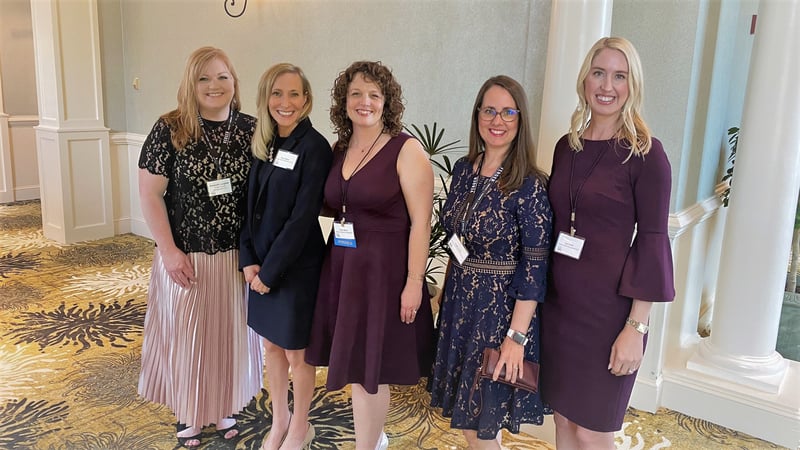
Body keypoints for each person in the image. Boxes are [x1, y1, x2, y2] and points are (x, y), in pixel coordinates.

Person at [541, 36, 675, 450]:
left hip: (609, 315)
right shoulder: (568, 147)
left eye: (619, 76)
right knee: (563, 420)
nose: (607, 85)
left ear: (632, 85)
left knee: (592, 430)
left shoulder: (647, 154)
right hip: (560, 308)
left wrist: (636, 326)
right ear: (585, 80)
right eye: (599, 73)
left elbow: (652, 242)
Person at [305, 61, 435, 450]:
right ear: (344, 101)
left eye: (374, 95)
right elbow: (324, 207)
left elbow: (421, 224)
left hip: (385, 276)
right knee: (358, 366)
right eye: (356, 94)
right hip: (344, 271)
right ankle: (374, 440)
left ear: (387, 102)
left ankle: (369, 445)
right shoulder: (339, 148)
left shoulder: (406, 149)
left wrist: (415, 283)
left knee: (369, 371)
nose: (365, 102)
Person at [137, 46, 263, 449]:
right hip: (186, 256)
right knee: (189, 336)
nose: (214, 85)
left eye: (222, 77)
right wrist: (169, 251)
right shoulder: (170, 128)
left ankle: (224, 405)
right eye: (204, 78)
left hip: (235, 259)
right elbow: (150, 195)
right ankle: (190, 411)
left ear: (234, 83)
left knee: (229, 337)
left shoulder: (251, 129)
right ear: (190, 84)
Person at [428, 75, 552, 449]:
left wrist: (515, 338)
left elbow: (534, 268)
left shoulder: (529, 183)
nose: (498, 121)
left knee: (482, 421)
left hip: (498, 314)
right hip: (460, 306)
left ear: (520, 119)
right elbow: (455, 237)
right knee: (469, 420)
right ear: (477, 115)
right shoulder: (465, 170)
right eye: (490, 110)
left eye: (508, 112)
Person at [239, 63, 332, 450]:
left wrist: (270, 272)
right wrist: (248, 259)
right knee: (271, 347)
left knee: (297, 354)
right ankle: (279, 421)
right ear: (266, 99)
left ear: (307, 100)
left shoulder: (314, 147)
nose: (285, 102)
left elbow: (301, 219)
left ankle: (300, 427)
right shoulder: (264, 142)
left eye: (294, 94)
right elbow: (249, 208)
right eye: (277, 94)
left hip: (294, 269)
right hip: (260, 265)